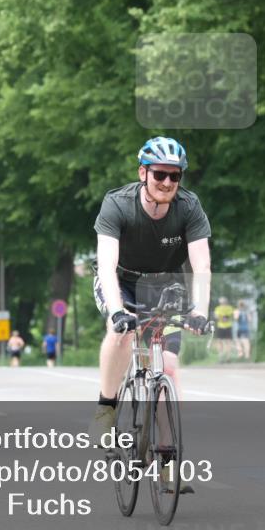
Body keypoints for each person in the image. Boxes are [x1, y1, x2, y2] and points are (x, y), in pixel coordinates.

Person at [90, 137, 212, 479]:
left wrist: (199, 311)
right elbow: (106, 265)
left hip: (164, 285)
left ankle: (168, 459)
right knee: (122, 336)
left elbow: (201, 266)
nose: (168, 183)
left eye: (175, 177)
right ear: (143, 173)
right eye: (160, 174)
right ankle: (106, 407)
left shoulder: (189, 206)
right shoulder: (117, 204)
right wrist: (117, 312)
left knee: (168, 367)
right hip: (121, 281)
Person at [212, 297, 235, 361]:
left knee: (220, 341)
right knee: (228, 342)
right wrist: (225, 317)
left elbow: (216, 316)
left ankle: (221, 356)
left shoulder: (218, 308)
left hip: (221, 326)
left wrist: (221, 317)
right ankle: (228, 356)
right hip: (227, 326)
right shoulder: (230, 308)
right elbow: (232, 316)